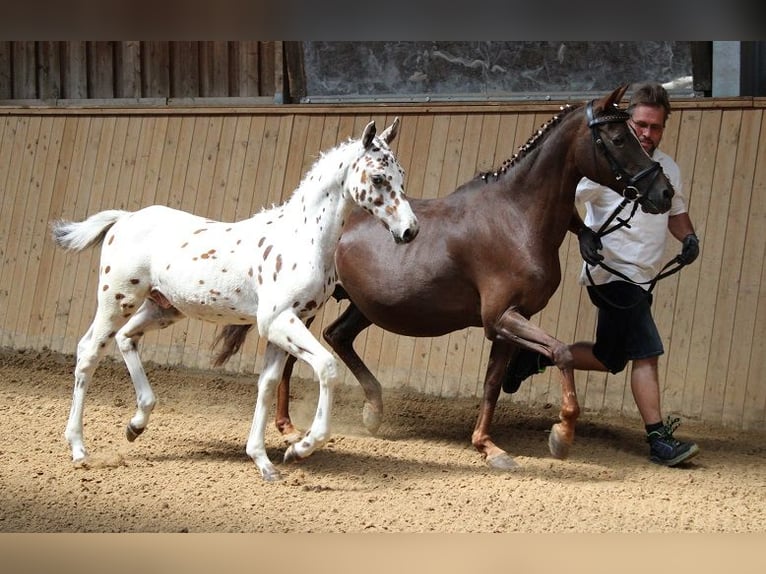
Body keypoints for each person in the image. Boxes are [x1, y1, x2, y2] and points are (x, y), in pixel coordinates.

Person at [505, 82, 701, 467]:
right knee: (647, 352)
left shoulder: (668, 167)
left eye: (655, 127)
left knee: (611, 357)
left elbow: (675, 211)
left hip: (643, 278)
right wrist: (584, 235)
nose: (647, 134)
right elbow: (561, 204)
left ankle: (534, 359)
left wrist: (689, 236)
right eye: (641, 125)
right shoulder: (604, 167)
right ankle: (659, 439)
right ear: (628, 122)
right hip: (612, 276)